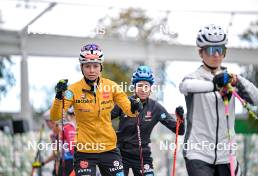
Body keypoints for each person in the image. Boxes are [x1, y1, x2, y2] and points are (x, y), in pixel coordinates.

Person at [179, 24, 258, 176]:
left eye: (221, 49)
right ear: (200, 53)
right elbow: (185, 87)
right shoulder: (193, 77)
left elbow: (257, 99)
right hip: (198, 154)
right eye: (211, 50)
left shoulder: (230, 79)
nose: (216, 55)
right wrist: (214, 85)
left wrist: (237, 80)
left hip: (227, 155)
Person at [50, 44, 142, 176]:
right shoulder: (73, 90)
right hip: (85, 150)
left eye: (95, 66)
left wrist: (135, 107)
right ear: (82, 67)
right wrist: (59, 97)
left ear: (101, 67)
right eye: (87, 66)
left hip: (109, 148)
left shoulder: (111, 87)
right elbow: (55, 116)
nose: (91, 70)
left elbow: (130, 111)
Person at [111, 65, 185, 176]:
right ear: (134, 87)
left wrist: (181, 118)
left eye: (146, 85)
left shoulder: (156, 107)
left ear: (151, 88)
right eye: (140, 85)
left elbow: (180, 131)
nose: (143, 89)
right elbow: (103, 119)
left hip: (143, 155)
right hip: (121, 154)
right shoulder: (124, 103)